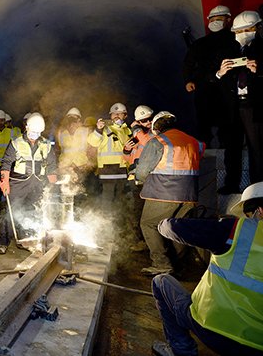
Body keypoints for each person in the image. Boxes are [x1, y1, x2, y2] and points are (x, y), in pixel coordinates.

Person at [150, 181, 263, 356]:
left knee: (161, 282)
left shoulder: (236, 230)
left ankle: (181, 351)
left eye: (250, 213)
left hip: (212, 329)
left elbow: (174, 227)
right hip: (257, 346)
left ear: (260, 210)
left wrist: (160, 225)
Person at [135, 111, 205, 276]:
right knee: (177, 228)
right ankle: (178, 265)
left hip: (163, 192)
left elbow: (142, 172)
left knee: (149, 224)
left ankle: (161, 264)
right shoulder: (194, 141)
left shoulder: (158, 141)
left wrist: (140, 177)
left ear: (157, 128)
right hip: (189, 194)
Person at [214, 10, 262, 194]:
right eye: (238, 31)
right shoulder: (226, 50)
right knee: (231, 146)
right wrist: (221, 73)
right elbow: (211, 76)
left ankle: (258, 186)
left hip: (254, 105)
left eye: (247, 29)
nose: (242, 34)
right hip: (232, 106)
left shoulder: (261, 48)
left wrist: (258, 70)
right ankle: (231, 183)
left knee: (256, 147)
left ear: (257, 28)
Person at [0, 113, 58, 254]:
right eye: (32, 131)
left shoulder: (46, 145)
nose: (34, 135)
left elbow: (51, 165)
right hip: (19, 182)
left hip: (37, 183)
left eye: (38, 132)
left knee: (32, 211)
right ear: (27, 127)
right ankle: (3, 241)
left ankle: (25, 238)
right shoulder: (16, 142)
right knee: (11, 210)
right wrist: (4, 180)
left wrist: (52, 182)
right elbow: (6, 163)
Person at [181, 5, 235, 146]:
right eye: (212, 19)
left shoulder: (234, 41)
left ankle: (226, 152)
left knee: (227, 124)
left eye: (219, 18)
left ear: (228, 20)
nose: (215, 21)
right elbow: (188, 63)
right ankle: (204, 151)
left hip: (226, 89)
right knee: (204, 122)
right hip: (204, 88)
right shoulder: (200, 44)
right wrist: (188, 80)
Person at [87, 102, 132, 220]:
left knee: (120, 198)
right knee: (107, 198)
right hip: (107, 169)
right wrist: (98, 129)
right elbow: (92, 142)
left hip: (122, 169)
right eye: (114, 114)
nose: (116, 116)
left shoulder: (127, 130)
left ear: (125, 115)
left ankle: (119, 223)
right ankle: (106, 223)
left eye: (119, 114)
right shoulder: (104, 128)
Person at [123, 104, 155, 252]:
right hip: (135, 180)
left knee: (148, 215)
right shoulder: (137, 137)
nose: (147, 123)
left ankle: (149, 243)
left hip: (149, 181)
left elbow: (147, 143)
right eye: (143, 121)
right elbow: (128, 159)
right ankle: (139, 241)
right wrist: (126, 150)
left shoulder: (155, 135)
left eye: (149, 119)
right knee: (135, 212)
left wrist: (136, 130)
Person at [55, 107, 91, 185]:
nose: (72, 121)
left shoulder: (85, 131)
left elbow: (92, 149)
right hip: (65, 167)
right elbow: (59, 150)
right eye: (70, 118)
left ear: (79, 119)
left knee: (81, 191)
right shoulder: (62, 132)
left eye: (74, 118)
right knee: (66, 191)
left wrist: (87, 165)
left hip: (81, 166)